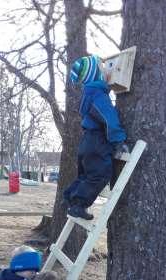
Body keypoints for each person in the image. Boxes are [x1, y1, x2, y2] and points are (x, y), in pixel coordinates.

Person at [63, 54, 129, 220]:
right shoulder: (99, 95)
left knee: (86, 176)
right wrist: (119, 140)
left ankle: (72, 198)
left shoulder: (91, 94)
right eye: (103, 69)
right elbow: (108, 119)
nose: (108, 71)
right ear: (97, 75)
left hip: (87, 142)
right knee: (99, 175)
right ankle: (78, 205)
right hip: (97, 142)